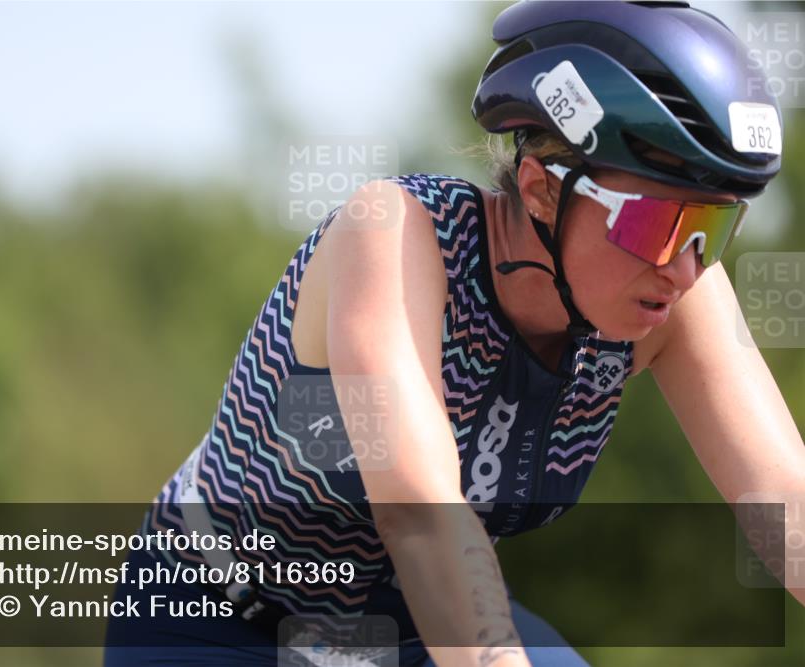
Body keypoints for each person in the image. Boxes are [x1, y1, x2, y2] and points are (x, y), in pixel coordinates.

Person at [105, 1, 805, 665]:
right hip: (220, 617)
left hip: (408, 621)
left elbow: (784, 494)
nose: (684, 266)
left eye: (712, 227)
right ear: (541, 188)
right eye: (655, 222)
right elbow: (421, 515)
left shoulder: (675, 290)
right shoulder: (394, 235)